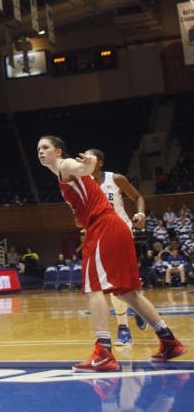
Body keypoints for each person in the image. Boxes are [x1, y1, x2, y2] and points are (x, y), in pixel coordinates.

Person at [37, 136, 186, 371]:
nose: (40, 151)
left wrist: (88, 163)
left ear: (59, 151)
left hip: (103, 226)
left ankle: (104, 351)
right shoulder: (62, 178)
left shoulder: (65, 165)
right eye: (38, 149)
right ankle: (169, 341)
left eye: (45, 147)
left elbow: (83, 167)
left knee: (93, 288)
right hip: (115, 227)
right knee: (127, 293)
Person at [87, 148, 149, 345]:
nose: (87, 159)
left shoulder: (115, 179)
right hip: (99, 235)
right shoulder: (83, 184)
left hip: (121, 231)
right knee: (112, 285)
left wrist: (140, 214)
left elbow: (138, 198)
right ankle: (132, 313)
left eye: (91, 156)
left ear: (101, 162)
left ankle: (125, 326)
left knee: (118, 284)